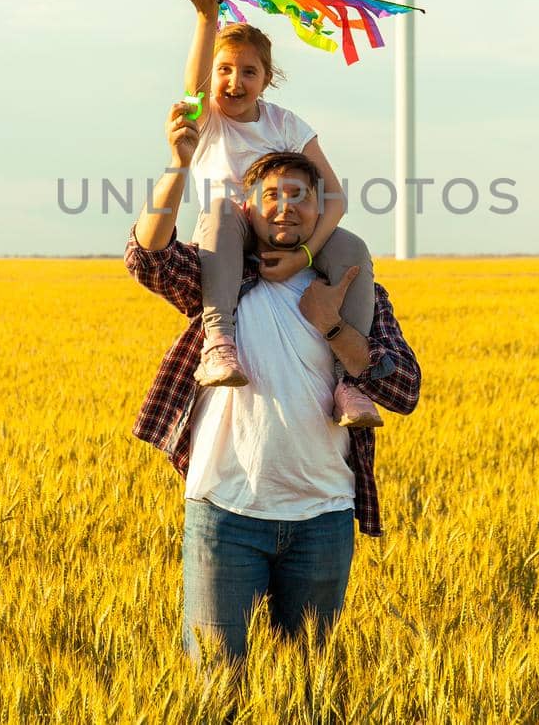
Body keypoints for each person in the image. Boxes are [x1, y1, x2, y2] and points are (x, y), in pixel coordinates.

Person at [125, 105, 422, 666]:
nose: (285, 206)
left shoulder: (351, 287)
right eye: (271, 195)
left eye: (300, 196)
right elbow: (147, 257)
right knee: (217, 684)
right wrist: (177, 164)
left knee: (307, 685)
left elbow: (404, 390)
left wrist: (333, 326)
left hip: (324, 517)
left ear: (320, 210)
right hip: (224, 511)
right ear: (249, 208)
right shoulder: (222, 276)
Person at [179, 0, 381, 429]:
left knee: (352, 249)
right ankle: (219, 344)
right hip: (230, 234)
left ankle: (350, 384)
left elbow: (334, 196)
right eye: (225, 70)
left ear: (267, 79)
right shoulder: (208, 117)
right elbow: (193, 88)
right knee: (222, 209)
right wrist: (205, 19)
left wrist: (304, 257)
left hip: (289, 230)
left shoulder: (286, 124)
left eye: (249, 72)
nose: (235, 81)